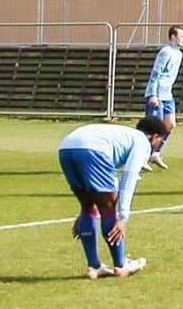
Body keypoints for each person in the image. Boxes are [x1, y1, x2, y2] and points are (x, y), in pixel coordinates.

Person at [57, 116, 167, 279]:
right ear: (155, 136)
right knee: (108, 208)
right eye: (161, 141)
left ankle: (94, 266)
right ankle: (121, 265)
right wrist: (123, 217)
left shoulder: (124, 134)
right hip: (93, 149)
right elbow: (129, 178)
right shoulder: (142, 142)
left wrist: (83, 215)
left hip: (66, 148)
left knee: (88, 208)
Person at [143, 25, 183, 170]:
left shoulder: (179, 54)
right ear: (173, 36)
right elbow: (156, 73)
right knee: (154, 128)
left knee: (170, 125)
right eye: (181, 36)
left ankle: (155, 153)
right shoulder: (165, 52)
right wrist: (153, 94)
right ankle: (141, 157)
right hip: (157, 94)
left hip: (167, 94)